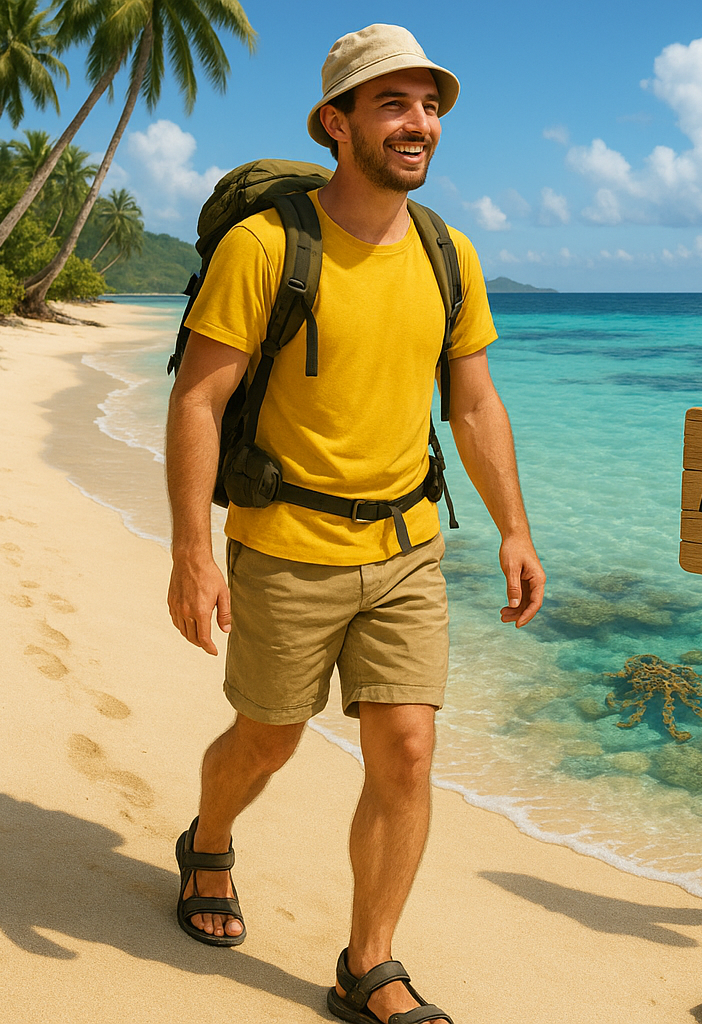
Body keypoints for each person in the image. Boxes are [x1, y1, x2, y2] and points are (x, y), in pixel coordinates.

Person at [165, 23, 545, 1024]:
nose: (418, 123)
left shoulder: (445, 251)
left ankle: (367, 964)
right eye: (393, 104)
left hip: (409, 546)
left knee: (408, 747)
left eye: (428, 105)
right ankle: (207, 841)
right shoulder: (265, 246)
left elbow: (471, 401)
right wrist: (192, 551)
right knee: (266, 739)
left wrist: (513, 526)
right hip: (285, 547)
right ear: (337, 125)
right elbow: (199, 399)